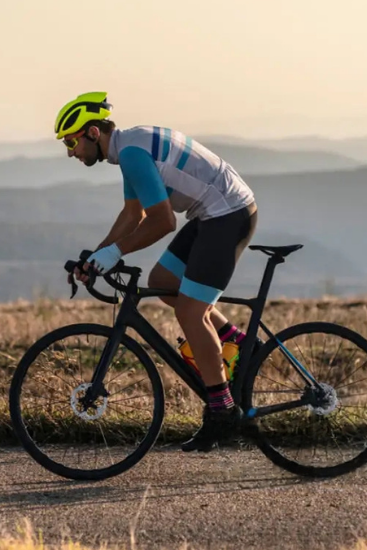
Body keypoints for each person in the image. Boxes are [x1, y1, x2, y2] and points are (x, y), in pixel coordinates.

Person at [57, 91, 259, 452]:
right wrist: (99, 255)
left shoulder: (132, 154)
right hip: (211, 214)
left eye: (71, 142)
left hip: (228, 214)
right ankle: (241, 344)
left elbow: (163, 221)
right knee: (163, 283)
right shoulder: (126, 149)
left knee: (190, 311)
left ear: (91, 133)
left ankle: (222, 411)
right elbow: (133, 215)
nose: (70, 152)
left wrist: (115, 252)